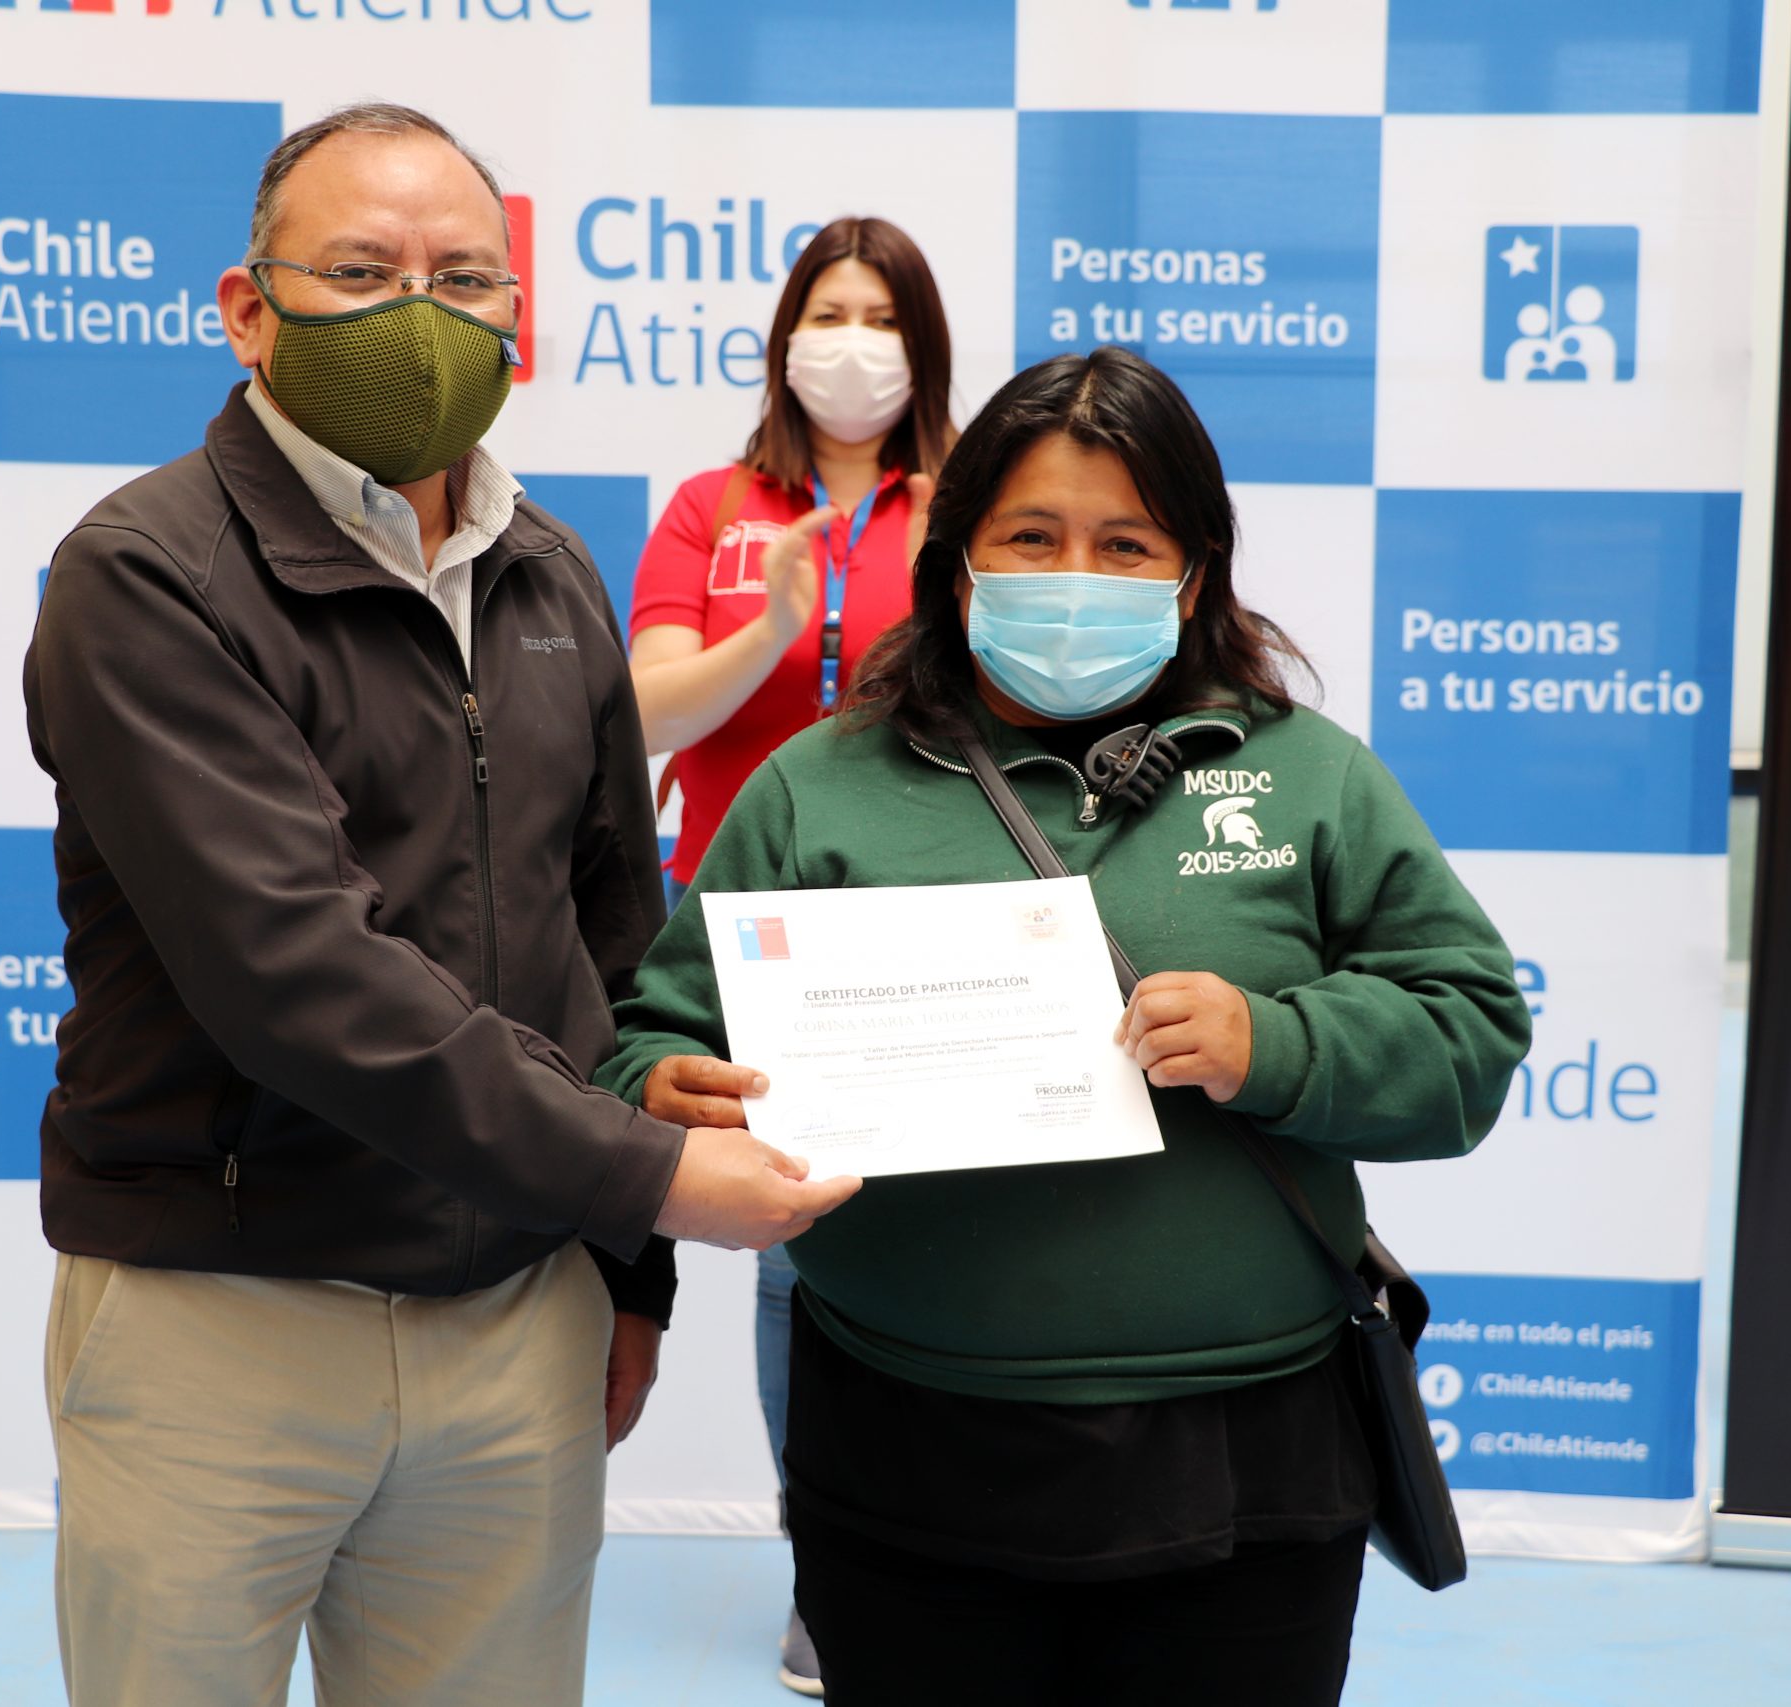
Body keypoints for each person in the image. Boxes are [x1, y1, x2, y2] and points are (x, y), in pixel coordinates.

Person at [21, 103, 858, 1707]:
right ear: (246, 307)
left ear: (520, 316)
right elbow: (299, 975)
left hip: (516, 1322)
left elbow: (612, 935)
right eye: (362, 269)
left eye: (468, 278)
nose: (424, 311)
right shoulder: (146, 573)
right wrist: (652, 1177)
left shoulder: (548, 569)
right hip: (224, 1310)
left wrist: (627, 1268)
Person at [599, 347, 1531, 1707]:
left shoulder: (1305, 776)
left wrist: (1278, 1045)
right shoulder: (820, 786)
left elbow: (1472, 1034)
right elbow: (648, 1036)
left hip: (1249, 1461)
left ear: (1195, 573)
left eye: (1126, 542)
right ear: (960, 557)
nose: (1076, 574)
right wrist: (666, 1090)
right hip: (904, 1449)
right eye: (1032, 536)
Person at [624, 212, 955, 1698]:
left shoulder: (966, 503)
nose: (855, 341)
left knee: (909, 1252)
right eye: (830, 309)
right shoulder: (712, 508)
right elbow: (647, 717)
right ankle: (829, 1570)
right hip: (739, 940)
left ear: (922, 344)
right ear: (784, 335)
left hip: (913, 934)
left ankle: (932, 1548)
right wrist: (770, 631)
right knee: (784, 1255)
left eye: (884, 314)